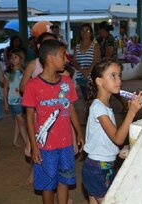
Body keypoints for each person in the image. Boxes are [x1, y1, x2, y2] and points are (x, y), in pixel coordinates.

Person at [22, 39, 84, 204]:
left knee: (64, 180)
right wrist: (34, 146)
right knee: (48, 185)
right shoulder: (33, 86)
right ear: (50, 58)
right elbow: (28, 117)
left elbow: (70, 109)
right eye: (62, 55)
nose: (66, 59)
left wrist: (79, 132)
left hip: (65, 144)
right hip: (45, 147)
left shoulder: (66, 83)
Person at [82, 59, 142, 203]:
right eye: (113, 76)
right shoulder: (99, 108)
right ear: (99, 81)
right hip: (98, 169)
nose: (119, 80)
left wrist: (117, 150)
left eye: (119, 75)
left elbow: (107, 138)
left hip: (99, 165)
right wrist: (131, 113)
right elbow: (117, 138)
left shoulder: (104, 105)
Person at [3, 48, 30, 151]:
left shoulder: (25, 72)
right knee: (21, 120)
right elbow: (5, 88)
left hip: (23, 99)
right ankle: (27, 142)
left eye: (15, 57)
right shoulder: (8, 73)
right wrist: (5, 102)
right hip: (13, 100)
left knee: (18, 121)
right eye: (11, 57)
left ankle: (15, 140)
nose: (13, 59)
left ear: (21, 58)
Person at [73, 23, 100, 101]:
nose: (85, 33)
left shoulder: (95, 46)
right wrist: (82, 70)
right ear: (80, 33)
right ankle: (88, 113)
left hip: (93, 77)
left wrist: (88, 72)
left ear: (91, 33)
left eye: (87, 31)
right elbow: (74, 61)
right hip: (81, 78)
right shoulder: (77, 47)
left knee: (95, 99)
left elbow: (96, 60)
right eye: (83, 31)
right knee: (86, 99)